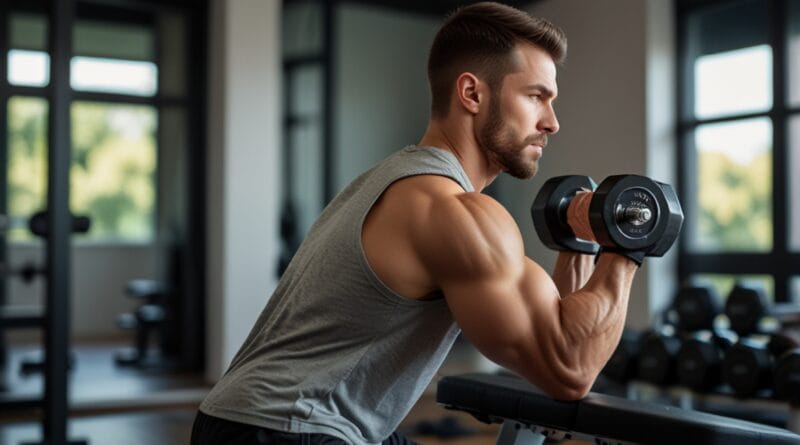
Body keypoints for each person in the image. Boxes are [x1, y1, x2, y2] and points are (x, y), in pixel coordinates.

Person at [192, 2, 639, 444]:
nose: (552, 122)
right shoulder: (450, 211)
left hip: (249, 420)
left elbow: (547, 330)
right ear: (472, 94)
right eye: (535, 96)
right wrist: (629, 239)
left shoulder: (398, 182)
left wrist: (581, 239)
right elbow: (569, 369)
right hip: (288, 430)